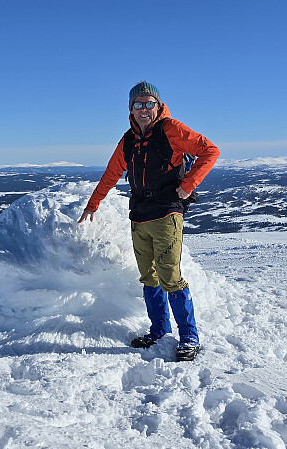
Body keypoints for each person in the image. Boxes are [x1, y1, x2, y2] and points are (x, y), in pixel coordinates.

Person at [78, 81, 220, 361]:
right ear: (130, 108)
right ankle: (159, 330)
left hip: (167, 211)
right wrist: (93, 203)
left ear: (157, 104)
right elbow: (111, 173)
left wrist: (188, 185)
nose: (144, 109)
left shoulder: (171, 129)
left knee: (170, 276)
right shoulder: (128, 139)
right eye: (138, 104)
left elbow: (210, 151)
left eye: (149, 103)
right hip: (140, 213)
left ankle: (189, 336)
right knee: (149, 275)